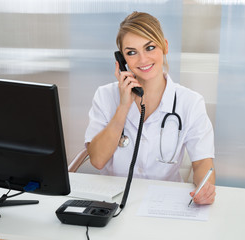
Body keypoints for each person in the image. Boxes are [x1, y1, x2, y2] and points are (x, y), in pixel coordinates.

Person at [85, 11, 216, 205]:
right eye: (131, 52)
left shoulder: (190, 102)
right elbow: (97, 160)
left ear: (165, 47)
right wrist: (123, 106)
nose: (143, 59)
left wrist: (204, 188)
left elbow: (202, 162)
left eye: (150, 47)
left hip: (164, 203)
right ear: (122, 61)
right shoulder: (105, 96)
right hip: (113, 200)